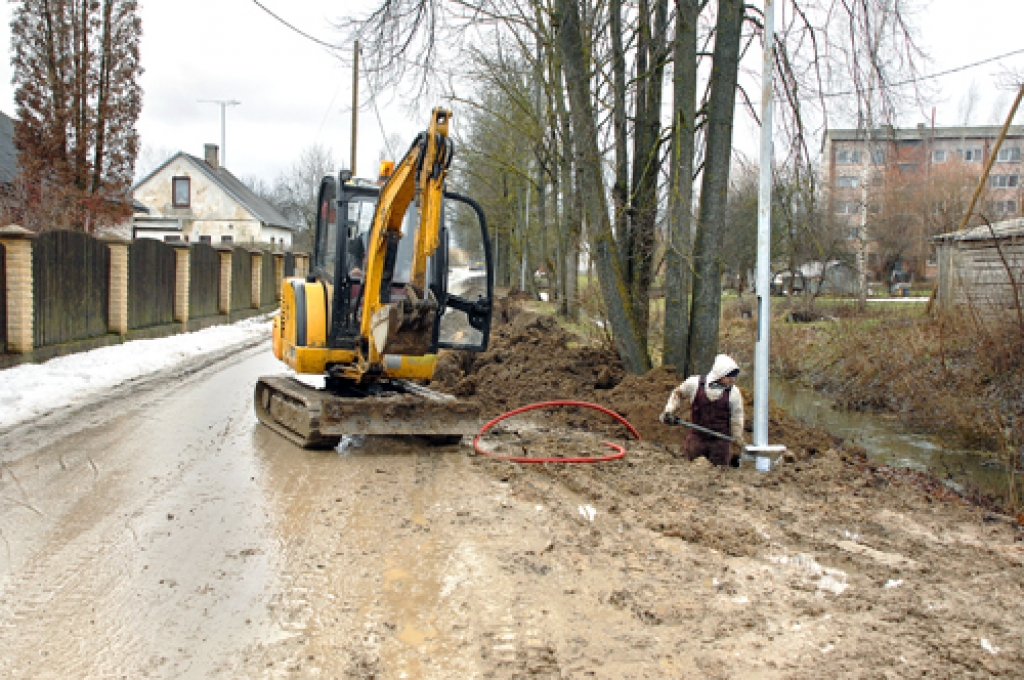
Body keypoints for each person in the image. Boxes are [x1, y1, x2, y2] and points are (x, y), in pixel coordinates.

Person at [660, 354, 745, 467]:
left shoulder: (734, 393)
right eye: (729, 376)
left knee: (718, 476)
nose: (733, 379)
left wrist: (737, 436)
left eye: (734, 376)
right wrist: (669, 411)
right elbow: (678, 393)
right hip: (696, 441)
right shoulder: (695, 383)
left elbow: (737, 417)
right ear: (720, 373)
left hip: (720, 445)